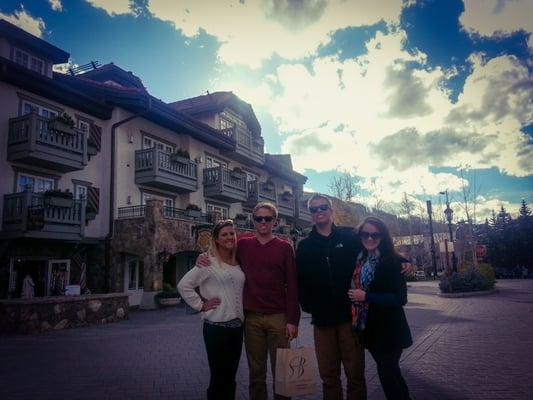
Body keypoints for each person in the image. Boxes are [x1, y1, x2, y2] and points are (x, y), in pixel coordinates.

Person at [197, 202, 300, 400]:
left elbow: (293, 285)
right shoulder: (243, 244)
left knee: (282, 373)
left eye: (267, 219)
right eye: (259, 218)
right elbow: (221, 249)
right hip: (251, 319)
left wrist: (293, 320)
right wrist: (203, 257)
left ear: (275, 222)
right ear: (253, 220)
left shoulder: (285, 247)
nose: (263, 222)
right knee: (256, 374)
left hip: (278, 317)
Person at [296, 194, 367, 400]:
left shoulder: (350, 237)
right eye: (314, 209)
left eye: (323, 207)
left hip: (349, 318)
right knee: (329, 377)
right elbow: (300, 279)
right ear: (311, 214)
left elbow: (375, 250)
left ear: (331, 209)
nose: (319, 212)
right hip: (322, 322)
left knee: (355, 375)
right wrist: (308, 305)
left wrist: (402, 260)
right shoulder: (305, 246)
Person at [178, 219, 245, 400]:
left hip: (237, 329)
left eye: (232, 233)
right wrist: (201, 305)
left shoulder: (237, 261)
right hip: (216, 329)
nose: (229, 237)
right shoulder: (208, 263)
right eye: (224, 234)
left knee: (231, 377)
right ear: (216, 239)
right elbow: (184, 286)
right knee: (218, 377)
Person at [349, 216, 413, 400]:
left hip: (390, 330)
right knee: (391, 374)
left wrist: (366, 296)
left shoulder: (393, 261)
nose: (370, 238)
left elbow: (400, 299)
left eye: (375, 235)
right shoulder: (360, 260)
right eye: (365, 234)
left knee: (388, 375)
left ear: (383, 237)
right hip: (371, 330)